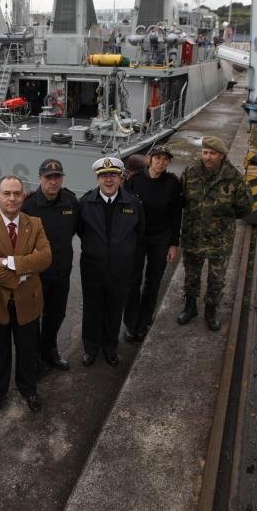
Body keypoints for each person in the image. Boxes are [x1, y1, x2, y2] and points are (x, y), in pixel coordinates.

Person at [0, 175, 51, 415]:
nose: (12, 198)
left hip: (27, 303)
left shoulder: (35, 224)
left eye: (17, 193)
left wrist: (9, 262)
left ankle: (28, 389)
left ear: (24, 196)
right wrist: (20, 276)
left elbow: (45, 258)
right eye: (6, 193)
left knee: (28, 349)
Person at [177, 136, 253, 331]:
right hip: (193, 235)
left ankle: (211, 311)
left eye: (212, 153)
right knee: (191, 274)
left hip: (220, 239)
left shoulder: (233, 177)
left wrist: (221, 220)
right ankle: (190, 306)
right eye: (205, 152)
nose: (207, 157)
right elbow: (181, 200)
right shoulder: (190, 172)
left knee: (216, 279)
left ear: (221, 155)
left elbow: (244, 207)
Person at [78, 157, 145, 367]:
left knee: (115, 309)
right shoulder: (85, 203)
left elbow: (139, 234)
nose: (109, 180)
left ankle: (110, 347)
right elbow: (81, 231)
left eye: (113, 175)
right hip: (93, 268)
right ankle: (90, 347)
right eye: (104, 176)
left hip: (120, 269)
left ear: (121, 177)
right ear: (97, 179)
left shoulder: (133, 203)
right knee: (92, 309)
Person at [22, 159, 79, 370]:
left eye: (57, 177)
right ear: (40, 179)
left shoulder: (71, 202)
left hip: (61, 271)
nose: (53, 182)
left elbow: (74, 229)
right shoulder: (28, 206)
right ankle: (34, 356)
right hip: (36, 275)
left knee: (57, 313)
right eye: (48, 177)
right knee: (32, 318)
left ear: (62, 178)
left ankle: (49, 350)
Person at [123, 145, 183, 342]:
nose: (161, 162)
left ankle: (145, 320)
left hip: (160, 238)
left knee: (153, 280)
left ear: (169, 162)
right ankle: (131, 323)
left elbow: (176, 215)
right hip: (137, 238)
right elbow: (124, 209)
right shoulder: (134, 180)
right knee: (132, 281)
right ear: (149, 159)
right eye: (157, 158)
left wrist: (173, 244)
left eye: (165, 159)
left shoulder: (172, 183)